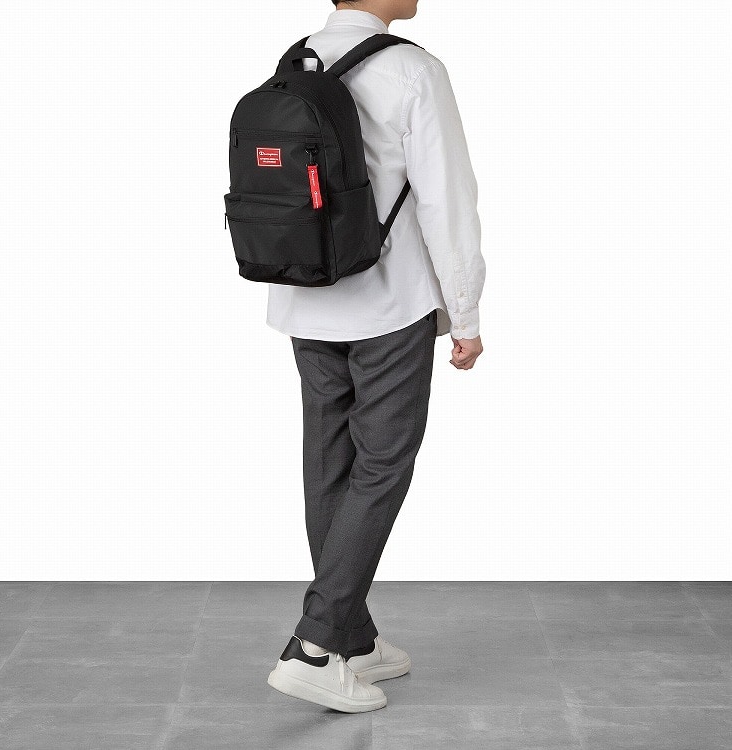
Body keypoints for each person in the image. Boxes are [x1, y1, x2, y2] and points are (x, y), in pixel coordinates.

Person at [266, 0, 486, 713]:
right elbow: (447, 199)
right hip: (389, 300)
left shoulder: (295, 60)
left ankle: (353, 637)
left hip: (303, 292)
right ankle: (314, 647)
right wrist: (465, 311)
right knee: (383, 462)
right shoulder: (413, 70)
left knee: (330, 459)